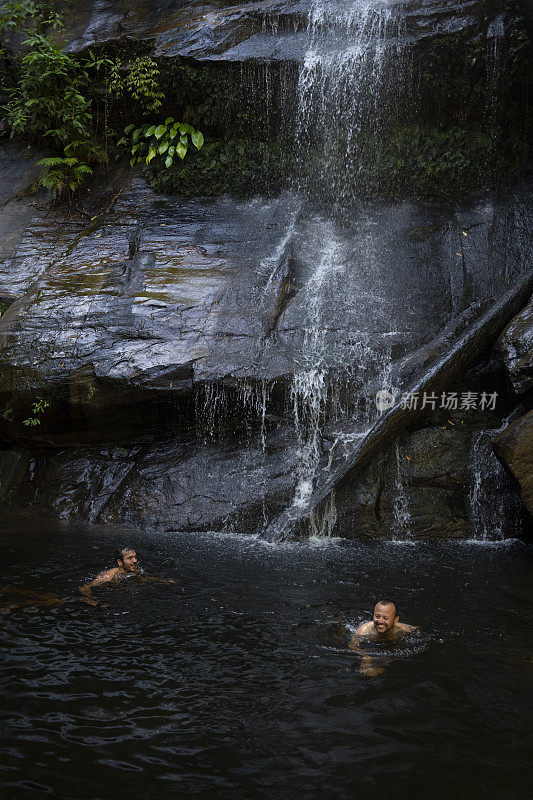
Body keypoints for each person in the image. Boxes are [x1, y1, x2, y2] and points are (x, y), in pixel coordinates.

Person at [79, 547, 178, 606]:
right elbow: (85, 587)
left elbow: (145, 578)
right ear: (119, 562)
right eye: (130, 558)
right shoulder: (109, 575)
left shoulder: (136, 570)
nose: (134, 561)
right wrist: (93, 602)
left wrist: (165, 581)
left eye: (135, 557)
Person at [348, 600, 417, 676]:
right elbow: (352, 646)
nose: (380, 621)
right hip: (372, 646)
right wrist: (365, 656)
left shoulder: (402, 629)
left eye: (385, 618)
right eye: (377, 616)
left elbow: (418, 631)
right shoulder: (364, 631)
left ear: (395, 620)